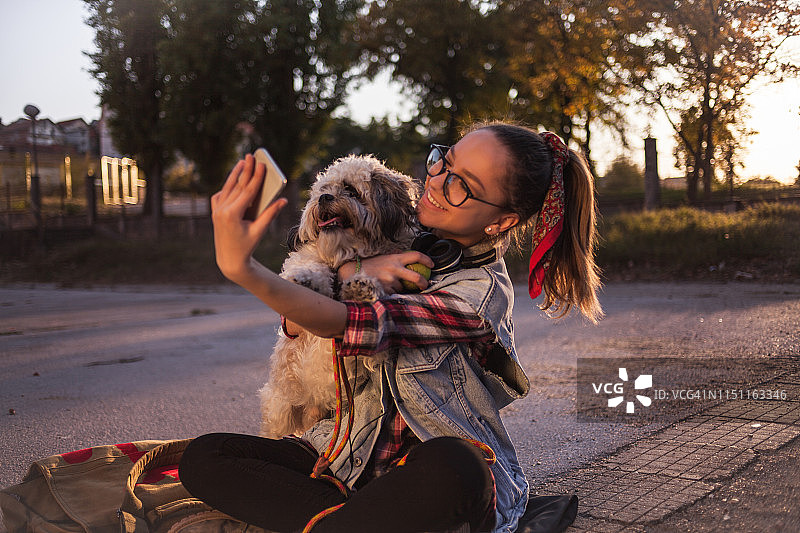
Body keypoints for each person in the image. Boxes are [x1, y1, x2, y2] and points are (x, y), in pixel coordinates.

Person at [178, 121, 602, 533]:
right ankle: (353, 521)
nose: (436, 182)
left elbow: (354, 323)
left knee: (456, 465)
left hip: (422, 474)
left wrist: (243, 269)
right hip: (346, 459)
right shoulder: (392, 242)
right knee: (205, 456)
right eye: (443, 161)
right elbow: (297, 320)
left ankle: (344, 519)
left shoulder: (478, 296)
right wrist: (353, 267)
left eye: (462, 184)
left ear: (502, 221)